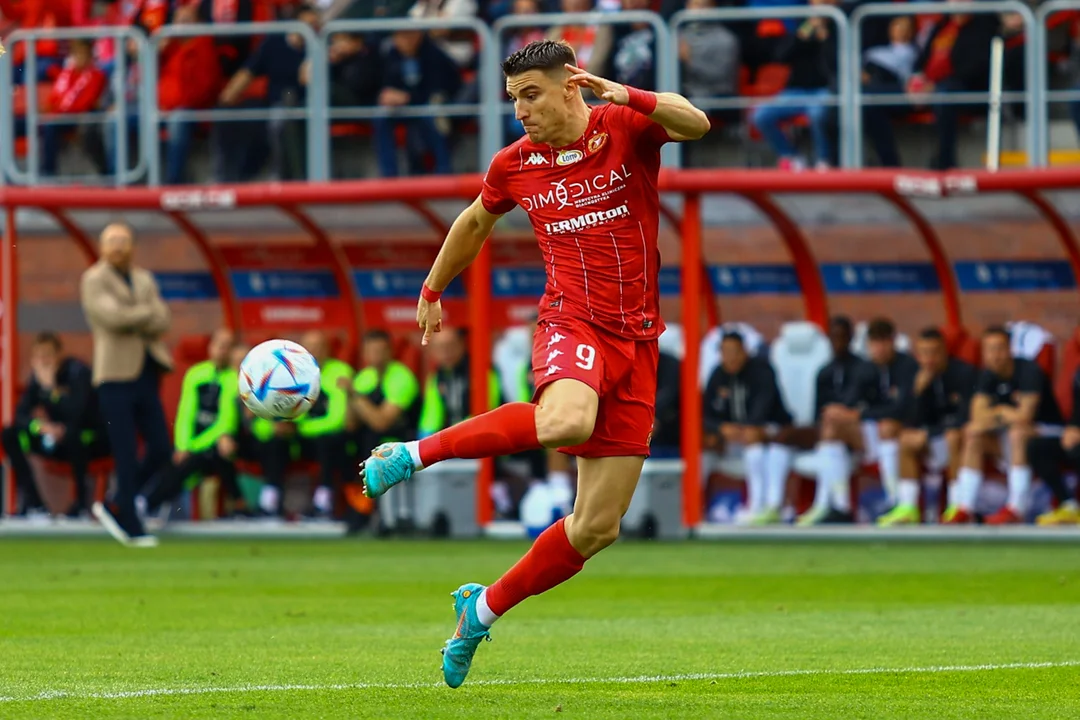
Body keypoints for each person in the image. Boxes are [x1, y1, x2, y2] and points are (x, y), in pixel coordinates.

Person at [357, 39, 709, 688]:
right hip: (572, 320)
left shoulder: (624, 126)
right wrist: (432, 288)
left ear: (571, 85)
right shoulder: (515, 163)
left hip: (638, 340)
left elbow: (696, 123)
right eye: (514, 98)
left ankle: (480, 611)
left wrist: (629, 95)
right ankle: (411, 453)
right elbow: (474, 222)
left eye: (531, 95)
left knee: (597, 528)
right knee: (566, 421)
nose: (519, 110)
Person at [81, 221, 173, 547]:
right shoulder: (94, 278)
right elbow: (112, 318)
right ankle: (130, 523)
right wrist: (144, 313)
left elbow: (164, 319)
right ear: (102, 246)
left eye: (123, 240)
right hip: (114, 376)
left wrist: (136, 314)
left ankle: (118, 501)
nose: (118, 246)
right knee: (125, 451)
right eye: (112, 241)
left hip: (146, 371)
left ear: (133, 246)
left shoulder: (144, 278)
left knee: (161, 448)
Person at [946, 327, 1064, 525]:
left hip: (1047, 434)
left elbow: (1025, 417)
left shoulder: (1029, 371)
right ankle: (965, 508)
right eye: (990, 349)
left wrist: (996, 413)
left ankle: (1017, 508)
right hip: (1008, 438)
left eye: (1000, 348)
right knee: (973, 434)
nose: (995, 355)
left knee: (1017, 433)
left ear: (1010, 349)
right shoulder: (986, 375)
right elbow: (977, 417)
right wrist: (1004, 412)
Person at [136, 327, 247, 521]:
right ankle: (144, 501)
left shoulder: (234, 379)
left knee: (202, 457)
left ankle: (146, 503)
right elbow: (186, 414)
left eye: (228, 346)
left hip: (214, 446)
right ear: (211, 347)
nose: (223, 350)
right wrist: (183, 446)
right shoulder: (196, 374)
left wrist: (194, 447)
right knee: (174, 458)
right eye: (219, 345)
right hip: (193, 446)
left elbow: (225, 422)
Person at [1, 332, 106, 518]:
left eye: (47, 355)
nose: (43, 362)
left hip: (88, 442)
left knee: (73, 434)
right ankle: (35, 504)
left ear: (59, 356)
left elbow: (77, 412)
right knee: (9, 434)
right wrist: (40, 427)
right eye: (38, 357)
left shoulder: (77, 372)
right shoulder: (37, 379)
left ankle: (81, 505)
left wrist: (51, 390)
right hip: (54, 441)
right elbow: (20, 415)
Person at [878, 327, 976, 526]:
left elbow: (965, 417)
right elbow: (907, 419)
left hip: (957, 442)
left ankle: (955, 505)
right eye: (924, 353)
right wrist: (917, 392)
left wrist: (929, 433)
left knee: (954, 437)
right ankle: (908, 507)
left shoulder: (964, 373)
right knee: (905, 439)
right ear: (917, 355)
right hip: (931, 441)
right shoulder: (912, 375)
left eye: (934, 352)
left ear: (944, 352)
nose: (929, 359)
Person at [702, 331, 793, 525]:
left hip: (771, 430)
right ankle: (693, 508)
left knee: (755, 441)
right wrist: (721, 428)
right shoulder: (718, 375)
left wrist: (743, 429)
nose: (730, 358)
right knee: (703, 443)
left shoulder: (762, 371)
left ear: (744, 351)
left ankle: (760, 505)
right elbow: (705, 414)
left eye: (734, 351)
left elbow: (763, 409)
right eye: (725, 352)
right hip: (733, 437)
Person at [797, 316, 872, 526]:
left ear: (851, 338)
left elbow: (861, 404)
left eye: (842, 337)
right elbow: (817, 412)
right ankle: (835, 506)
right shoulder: (824, 372)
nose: (838, 342)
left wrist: (838, 414)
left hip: (860, 434)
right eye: (834, 337)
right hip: (832, 436)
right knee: (828, 439)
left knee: (831, 428)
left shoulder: (863, 368)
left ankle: (829, 505)